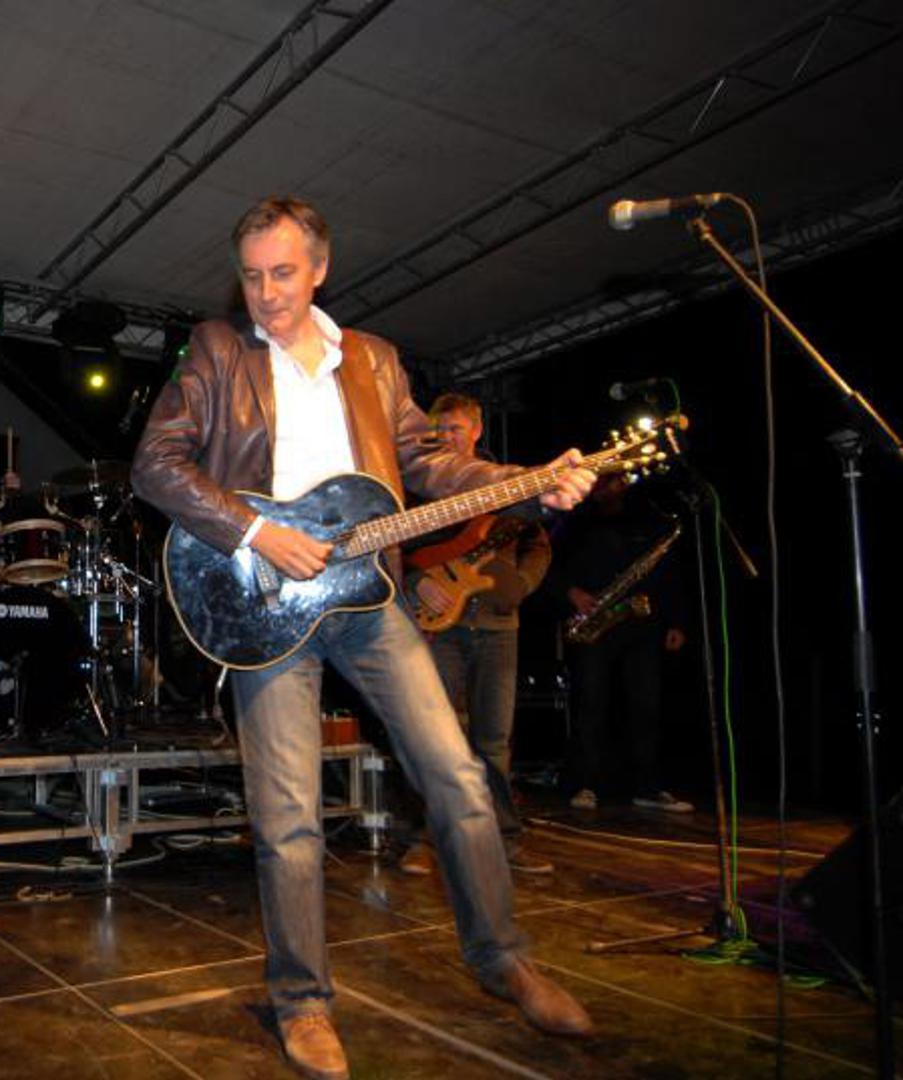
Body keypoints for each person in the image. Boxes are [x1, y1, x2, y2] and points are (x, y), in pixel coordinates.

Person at [131, 197, 596, 1080]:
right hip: (265, 600)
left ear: (319, 269)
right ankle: (301, 1002)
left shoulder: (373, 361)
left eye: (282, 273)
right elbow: (155, 465)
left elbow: (428, 461)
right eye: (251, 276)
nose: (265, 293)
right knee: (289, 817)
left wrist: (525, 480)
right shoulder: (218, 349)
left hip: (367, 597)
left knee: (458, 775)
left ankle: (503, 960)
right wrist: (257, 533)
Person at [398, 392, 556, 877]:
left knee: (494, 741)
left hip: (498, 627)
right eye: (440, 431)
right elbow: (394, 551)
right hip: (440, 632)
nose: (448, 438)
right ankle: (425, 840)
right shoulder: (421, 489)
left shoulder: (502, 484)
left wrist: (521, 585)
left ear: (477, 430)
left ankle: (505, 839)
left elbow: (539, 547)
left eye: (456, 429)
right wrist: (417, 582)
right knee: (436, 737)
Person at [547, 472, 692, 813]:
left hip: (641, 624)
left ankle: (647, 786)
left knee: (646, 706)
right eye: (610, 481)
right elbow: (544, 561)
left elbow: (669, 572)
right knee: (590, 704)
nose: (617, 487)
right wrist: (571, 592)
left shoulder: (650, 518)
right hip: (594, 620)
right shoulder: (574, 521)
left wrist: (677, 621)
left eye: (621, 481)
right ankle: (584, 783)